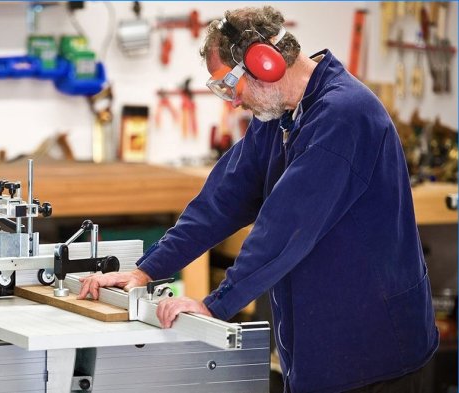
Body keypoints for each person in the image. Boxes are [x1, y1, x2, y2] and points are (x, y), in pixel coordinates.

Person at [77, 5, 438, 393]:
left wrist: (214, 305)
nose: (232, 102)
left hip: (377, 361)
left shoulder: (344, 117)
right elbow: (222, 198)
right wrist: (146, 270)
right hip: (323, 356)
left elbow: (283, 227)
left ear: (264, 63)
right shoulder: (282, 116)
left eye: (231, 85)